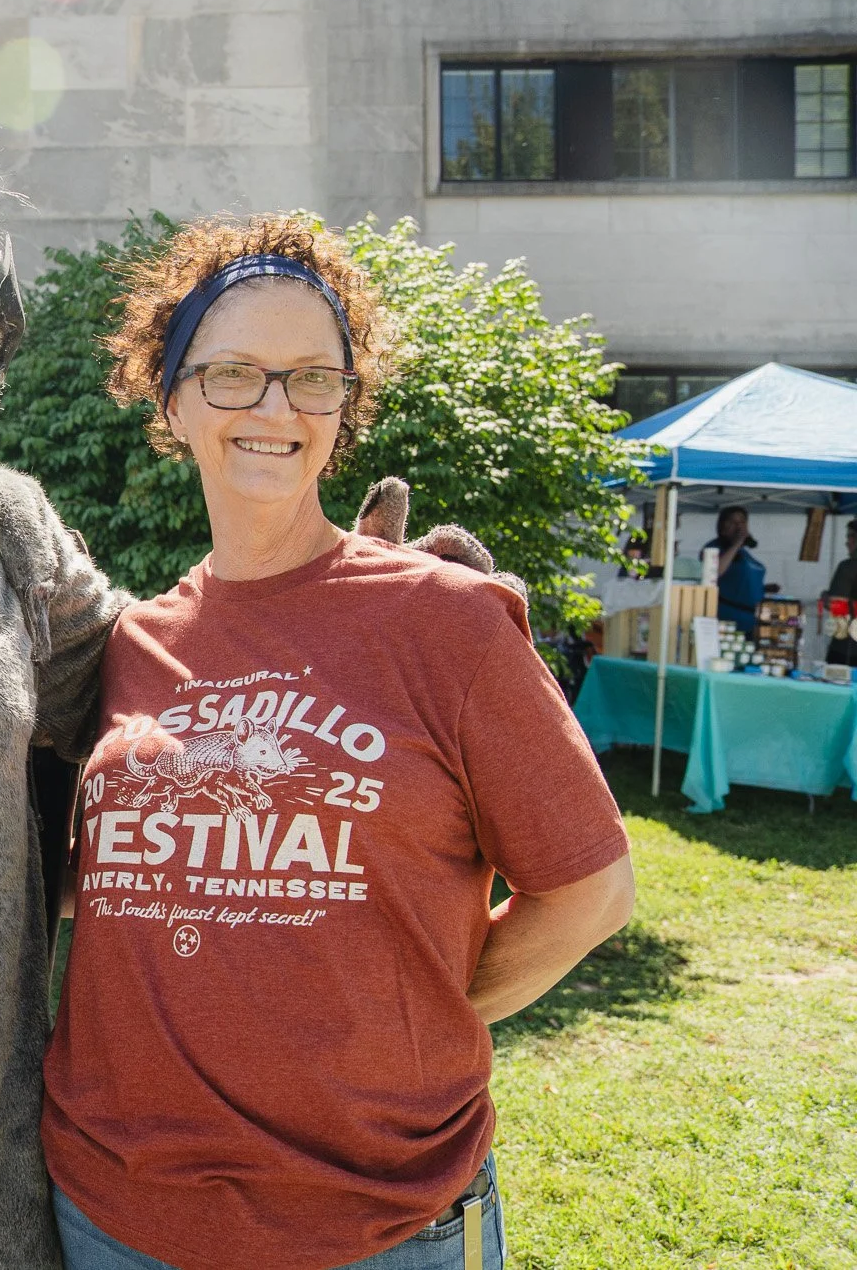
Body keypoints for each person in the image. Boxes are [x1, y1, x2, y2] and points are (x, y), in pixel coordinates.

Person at [41, 214, 637, 1270]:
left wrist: (424, 1016)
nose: (272, 407)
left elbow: (587, 890)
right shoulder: (132, 641)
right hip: (114, 1215)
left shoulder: (445, 621)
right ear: (169, 398)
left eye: (310, 379)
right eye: (231, 374)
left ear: (341, 411)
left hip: (372, 1222)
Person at [706, 505, 768, 637]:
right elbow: (713, 573)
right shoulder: (716, 547)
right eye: (733, 522)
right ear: (722, 526)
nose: (739, 526)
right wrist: (737, 543)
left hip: (752, 620)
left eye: (742, 522)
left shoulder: (744, 552)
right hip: (729, 620)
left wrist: (765, 588)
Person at [823, 519, 856, 666]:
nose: (847, 542)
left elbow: (837, 608)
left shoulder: (847, 568)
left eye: (851, 536)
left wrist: (825, 599)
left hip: (847, 649)